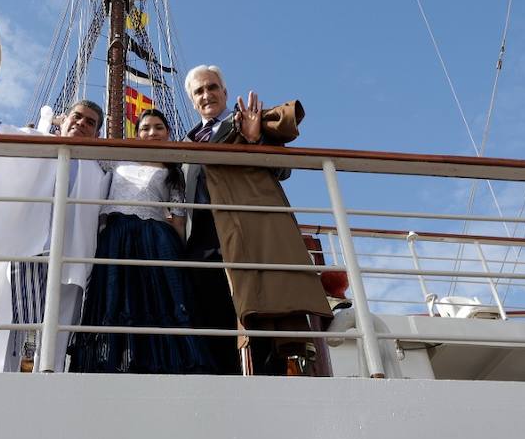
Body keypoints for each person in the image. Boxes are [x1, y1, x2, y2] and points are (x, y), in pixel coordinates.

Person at [0, 94, 109, 372]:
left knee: (58, 332)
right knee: (15, 326)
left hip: (72, 258)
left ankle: (49, 380)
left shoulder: (100, 170)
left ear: (97, 134)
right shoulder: (38, 143)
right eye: (77, 116)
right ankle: (2, 380)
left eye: (90, 122)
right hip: (30, 248)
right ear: (64, 120)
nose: (82, 124)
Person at [182, 64, 333, 376]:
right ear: (192, 100)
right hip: (205, 245)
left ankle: (268, 390)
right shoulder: (187, 145)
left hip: (249, 236)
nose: (207, 94)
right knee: (213, 327)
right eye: (199, 91)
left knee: (264, 320)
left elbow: (282, 170)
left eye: (212, 87)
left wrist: (254, 141)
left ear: (225, 92)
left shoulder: (249, 123)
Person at [68, 109, 218, 374]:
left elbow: (179, 217)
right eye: (146, 128)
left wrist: (179, 256)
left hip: (155, 238)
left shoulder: (173, 172)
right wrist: (58, 123)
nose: (152, 133)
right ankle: (112, 362)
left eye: (158, 127)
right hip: (116, 234)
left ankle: (163, 363)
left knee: (159, 300)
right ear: (137, 133)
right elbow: (88, 152)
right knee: (114, 296)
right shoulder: (119, 158)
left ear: (167, 133)